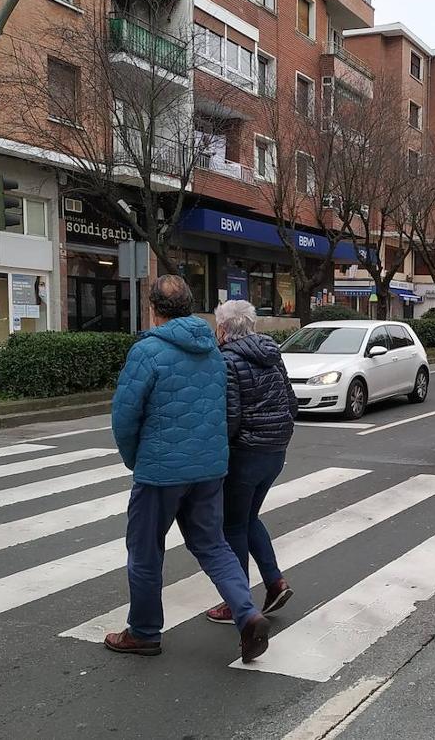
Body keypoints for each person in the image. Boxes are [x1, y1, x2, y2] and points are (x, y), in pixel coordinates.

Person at [105, 275, 271, 663]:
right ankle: (247, 614)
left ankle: (144, 632)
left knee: (145, 551)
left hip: (160, 472)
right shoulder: (213, 350)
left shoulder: (147, 351)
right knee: (212, 544)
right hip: (209, 468)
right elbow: (224, 408)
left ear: (153, 309)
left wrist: (136, 460)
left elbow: (124, 416)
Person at [205, 301, 298, 624]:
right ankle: (274, 582)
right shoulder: (272, 355)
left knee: (232, 524)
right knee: (248, 518)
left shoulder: (227, 361)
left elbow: (230, 416)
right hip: (275, 450)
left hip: (245, 453)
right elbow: (291, 401)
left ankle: (236, 601)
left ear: (223, 329)